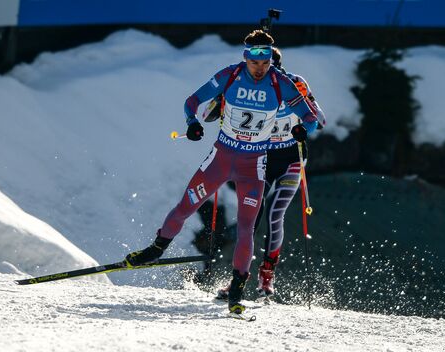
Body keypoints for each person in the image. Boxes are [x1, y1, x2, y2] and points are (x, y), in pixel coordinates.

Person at [124, 30, 317, 315]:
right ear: (246, 57)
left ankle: (237, 287)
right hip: (220, 159)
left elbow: (311, 117)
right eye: (255, 60)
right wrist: (192, 123)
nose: (261, 67)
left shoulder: (281, 83)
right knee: (185, 207)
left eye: (266, 60)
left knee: (246, 227)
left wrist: (302, 129)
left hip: (254, 166)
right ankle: (155, 250)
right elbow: (192, 100)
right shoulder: (229, 75)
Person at [212, 47, 326, 300]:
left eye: (268, 68)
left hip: (290, 159)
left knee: (275, 212)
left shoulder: (294, 84)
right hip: (259, 158)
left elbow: (319, 119)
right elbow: (219, 114)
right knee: (249, 217)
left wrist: (305, 126)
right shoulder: (245, 86)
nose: (262, 73)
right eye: (257, 68)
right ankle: (237, 280)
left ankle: (267, 276)